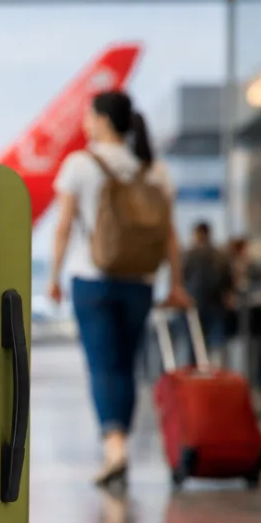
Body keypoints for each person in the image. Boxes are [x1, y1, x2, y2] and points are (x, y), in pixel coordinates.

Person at [47, 90, 191, 487]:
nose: (85, 123)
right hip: (140, 282)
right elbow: (170, 238)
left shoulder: (80, 164)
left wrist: (54, 278)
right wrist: (175, 284)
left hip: (92, 279)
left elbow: (63, 228)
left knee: (102, 364)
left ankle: (115, 447)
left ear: (104, 121)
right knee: (125, 365)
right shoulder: (154, 171)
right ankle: (120, 440)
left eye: (89, 116)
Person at [180, 221, 234, 364]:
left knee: (194, 345)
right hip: (216, 304)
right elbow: (228, 279)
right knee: (217, 343)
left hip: (194, 303)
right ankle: (218, 375)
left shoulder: (188, 255)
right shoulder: (219, 255)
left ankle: (195, 379)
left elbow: (181, 278)